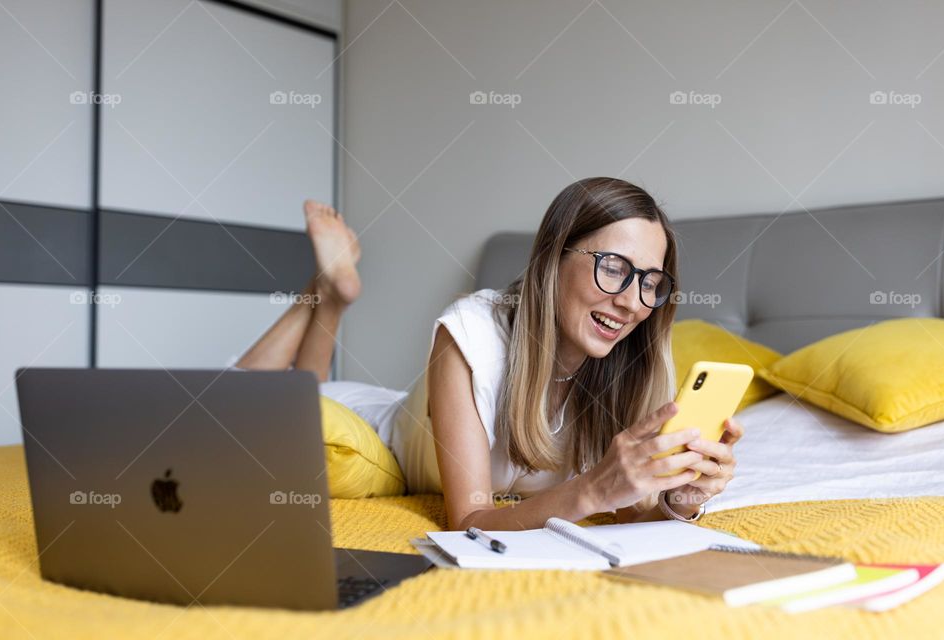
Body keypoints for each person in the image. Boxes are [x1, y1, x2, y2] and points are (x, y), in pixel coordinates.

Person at [237, 177, 744, 531]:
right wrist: (590, 491)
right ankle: (329, 294)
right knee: (246, 396)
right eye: (613, 267)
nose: (633, 302)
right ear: (553, 257)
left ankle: (330, 294)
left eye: (651, 282)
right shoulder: (470, 330)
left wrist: (679, 502)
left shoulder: (636, 361)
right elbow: (470, 521)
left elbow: (632, 511)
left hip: (413, 407)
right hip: (377, 427)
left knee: (303, 385)